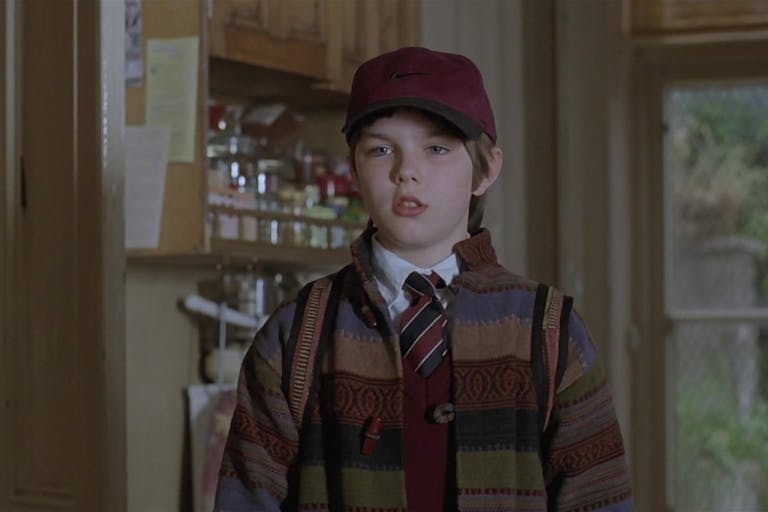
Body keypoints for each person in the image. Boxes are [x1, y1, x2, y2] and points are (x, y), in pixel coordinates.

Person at [215, 46, 634, 512]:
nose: (406, 172)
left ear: (486, 169)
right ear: (354, 169)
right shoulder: (297, 334)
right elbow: (244, 499)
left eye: (436, 149)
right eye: (381, 150)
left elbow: (600, 498)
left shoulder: (550, 331)